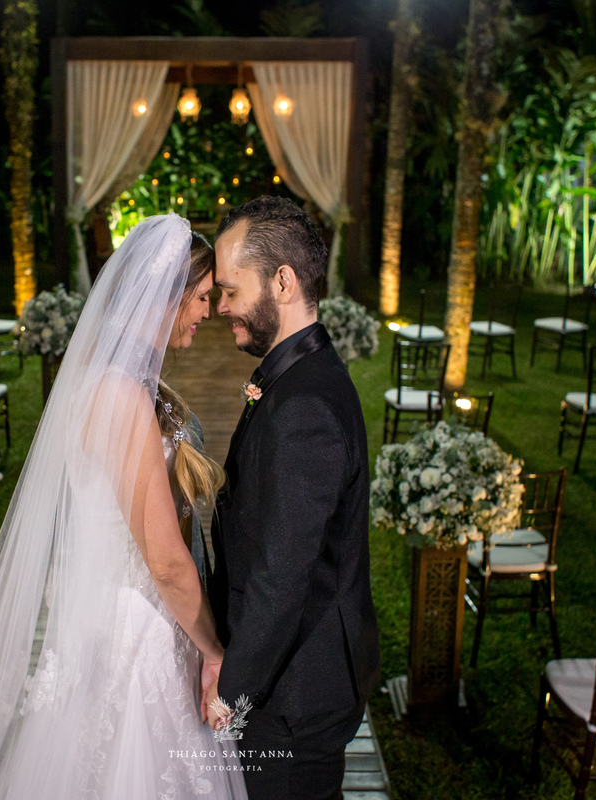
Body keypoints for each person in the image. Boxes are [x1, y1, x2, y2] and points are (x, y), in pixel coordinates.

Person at [0, 213, 248, 800]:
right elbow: (165, 561)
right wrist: (216, 652)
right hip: (135, 637)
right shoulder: (120, 395)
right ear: (163, 301)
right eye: (199, 297)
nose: (206, 313)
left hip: (110, 620)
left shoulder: (115, 382)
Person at [205, 196, 381, 800]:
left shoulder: (305, 403)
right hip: (293, 674)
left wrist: (231, 694)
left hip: (295, 692)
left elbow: (281, 580)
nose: (219, 306)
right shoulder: (297, 375)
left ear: (282, 281)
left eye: (230, 289)